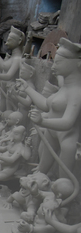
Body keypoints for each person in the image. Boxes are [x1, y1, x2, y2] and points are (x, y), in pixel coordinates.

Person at [21, 38, 81, 178]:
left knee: (64, 180)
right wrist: (27, 89)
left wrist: (43, 122)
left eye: (58, 62)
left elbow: (67, 122)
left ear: (77, 64)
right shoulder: (65, 87)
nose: (54, 66)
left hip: (67, 139)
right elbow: (46, 105)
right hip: (51, 133)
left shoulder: (76, 92)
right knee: (40, 172)